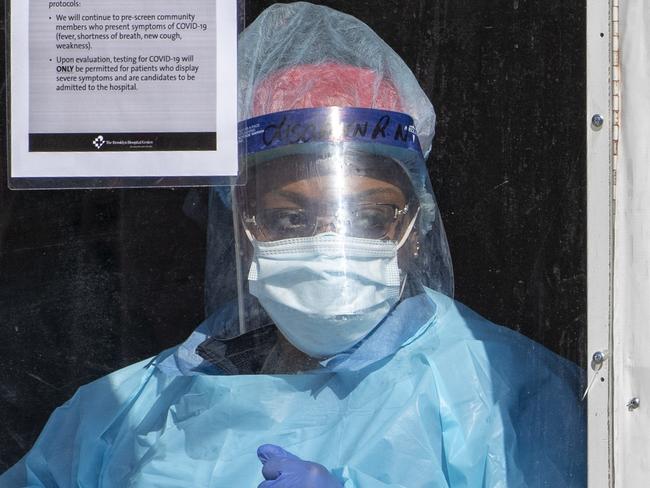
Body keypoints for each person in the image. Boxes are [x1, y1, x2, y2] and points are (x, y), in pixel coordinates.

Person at [0, 3, 585, 487]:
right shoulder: (127, 410)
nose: (330, 245)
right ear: (242, 224)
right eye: (287, 220)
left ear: (417, 222)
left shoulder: (507, 394)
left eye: (368, 215)